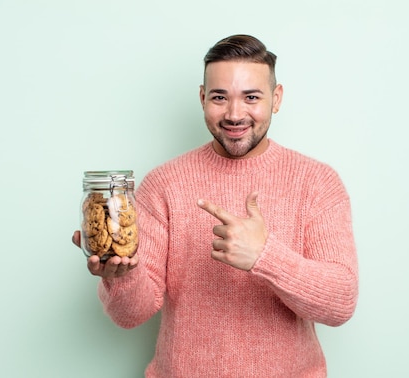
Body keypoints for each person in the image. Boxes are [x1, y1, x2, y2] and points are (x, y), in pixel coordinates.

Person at [72, 34, 358, 377]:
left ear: (276, 98)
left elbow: (341, 303)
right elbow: (131, 315)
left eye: (251, 97)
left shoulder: (317, 182)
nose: (235, 114)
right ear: (203, 97)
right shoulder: (164, 184)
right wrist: (119, 277)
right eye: (220, 97)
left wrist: (265, 257)